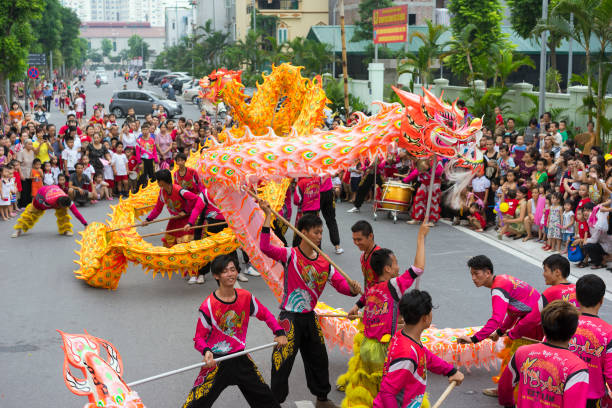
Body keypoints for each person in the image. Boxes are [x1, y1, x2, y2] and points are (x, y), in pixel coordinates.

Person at [258, 199, 361, 408]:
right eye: (315, 232)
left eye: (321, 232)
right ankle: (274, 402)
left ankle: (322, 398)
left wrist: (353, 289)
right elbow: (265, 247)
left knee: (319, 359)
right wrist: (268, 216)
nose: (320, 236)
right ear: (303, 232)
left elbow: (342, 287)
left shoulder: (325, 262)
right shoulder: (290, 255)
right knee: (282, 362)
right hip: (290, 317)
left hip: (310, 316)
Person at [182, 255, 288, 408]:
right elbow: (199, 338)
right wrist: (206, 351)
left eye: (233, 270)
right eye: (225, 271)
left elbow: (265, 315)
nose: (230, 274)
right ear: (216, 275)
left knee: (267, 401)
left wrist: (279, 332)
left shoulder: (246, 297)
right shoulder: (208, 306)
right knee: (194, 404)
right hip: (216, 362)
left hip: (240, 358)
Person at [341, 224, 429, 407]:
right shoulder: (394, 285)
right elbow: (418, 268)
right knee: (393, 390)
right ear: (388, 269)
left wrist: (356, 307)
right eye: (395, 263)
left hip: (367, 346)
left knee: (373, 386)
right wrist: (421, 237)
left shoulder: (373, 288)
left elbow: (364, 298)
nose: (398, 267)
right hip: (384, 347)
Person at [457, 255, 543, 397]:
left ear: (488, 273)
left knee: (516, 360)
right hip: (533, 321)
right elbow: (513, 312)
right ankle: (511, 391)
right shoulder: (503, 279)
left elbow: (496, 318)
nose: (473, 278)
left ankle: (508, 393)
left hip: (533, 325)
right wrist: (500, 331)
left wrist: (474, 339)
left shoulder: (498, 287)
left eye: (476, 273)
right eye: (471, 274)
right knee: (520, 359)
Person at [373, 289, 465, 407]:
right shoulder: (407, 355)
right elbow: (387, 392)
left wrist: (450, 371)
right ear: (425, 318)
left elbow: (425, 355)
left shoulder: (403, 335)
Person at [498, 300, 589, 407]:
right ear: (574, 330)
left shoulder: (522, 353)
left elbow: (504, 387)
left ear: (543, 328)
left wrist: (509, 404)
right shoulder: (577, 367)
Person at [570, 274, 612, 407]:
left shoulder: (562, 323)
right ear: (601, 300)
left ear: (576, 297)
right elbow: (610, 374)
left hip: (559, 392)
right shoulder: (609, 333)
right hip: (590, 397)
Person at [142, 169, 204, 248]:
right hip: (175, 219)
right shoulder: (162, 192)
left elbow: (195, 198)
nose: (157, 182)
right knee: (170, 243)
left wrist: (185, 211)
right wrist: (148, 220)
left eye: (158, 180)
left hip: (186, 220)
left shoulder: (179, 190)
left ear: (164, 181)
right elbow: (158, 208)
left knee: (185, 244)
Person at [12, 184, 88, 237]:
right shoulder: (48, 201)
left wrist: (85, 224)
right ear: (59, 204)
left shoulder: (67, 200)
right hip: (41, 196)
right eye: (63, 206)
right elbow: (38, 200)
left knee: (64, 214)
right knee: (30, 214)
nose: (65, 208)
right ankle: (19, 229)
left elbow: (76, 213)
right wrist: (36, 208)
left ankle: (66, 230)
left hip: (54, 190)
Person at [319, 175, 343, 254]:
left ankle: (317, 248)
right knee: (330, 220)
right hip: (325, 192)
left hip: (320, 193)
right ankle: (337, 246)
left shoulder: (312, 164)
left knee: (317, 220)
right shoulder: (327, 164)